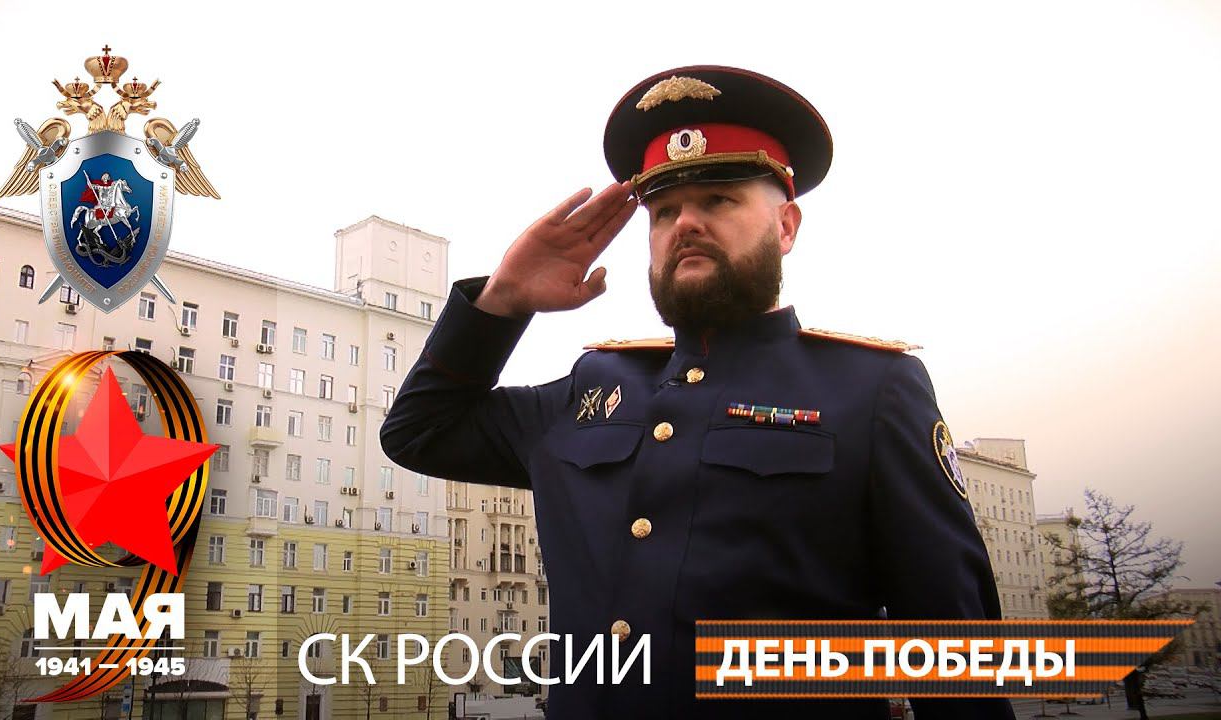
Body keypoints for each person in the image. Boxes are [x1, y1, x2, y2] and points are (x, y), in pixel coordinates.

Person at [381, 65, 1014, 719]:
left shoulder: (871, 390)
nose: (684, 223)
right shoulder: (592, 390)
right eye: (663, 212)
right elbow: (418, 432)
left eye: (718, 200)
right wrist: (503, 300)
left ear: (786, 226)